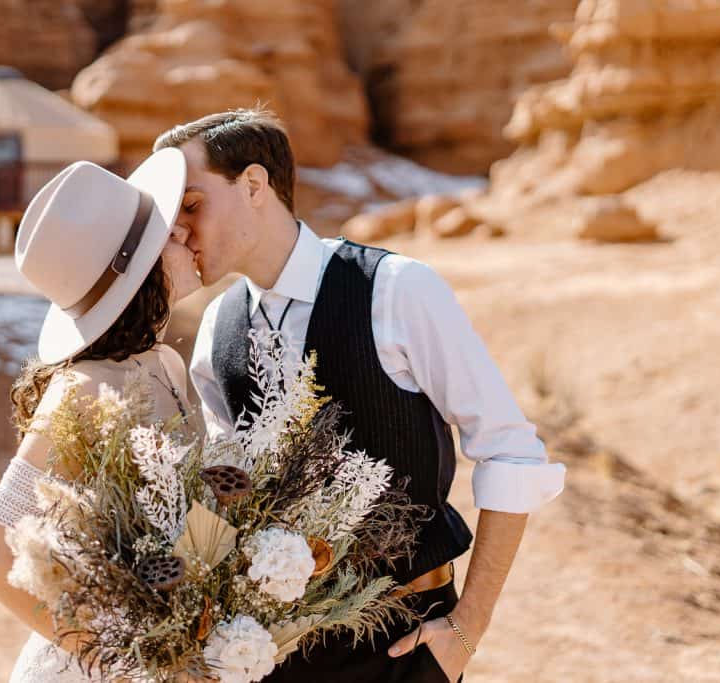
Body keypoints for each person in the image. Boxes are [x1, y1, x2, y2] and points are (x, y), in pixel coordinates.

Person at [156, 109, 567, 683]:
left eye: (192, 205)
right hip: (267, 654)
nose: (177, 230)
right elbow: (229, 497)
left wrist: (467, 628)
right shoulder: (216, 328)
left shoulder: (396, 289)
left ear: (254, 185)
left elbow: (511, 451)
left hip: (399, 646)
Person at [0, 149, 206, 682]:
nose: (185, 233)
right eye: (167, 233)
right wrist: (125, 663)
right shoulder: (83, 388)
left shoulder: (167, 363)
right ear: (137, 271)